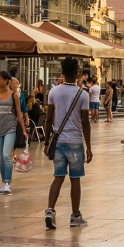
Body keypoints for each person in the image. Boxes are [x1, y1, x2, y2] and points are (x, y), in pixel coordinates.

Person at [44, 57, 92, 229]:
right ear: (77, 73)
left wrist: (45, 142)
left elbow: (48, 119)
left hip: (58, 141)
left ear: (62, 73)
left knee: (58, 177)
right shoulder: (83, 94)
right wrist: (89, 147)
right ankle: (75, 216)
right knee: (75, 179)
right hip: (75, 142)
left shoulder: (54, 92)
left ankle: (50, 210)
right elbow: (85, 123)